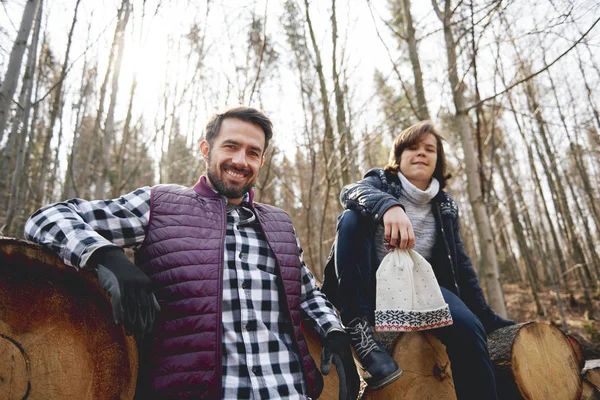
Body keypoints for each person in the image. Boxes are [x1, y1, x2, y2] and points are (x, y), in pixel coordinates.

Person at [25, 106, 360, 400]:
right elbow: (47, 219)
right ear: (206, 149)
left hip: (289, 390)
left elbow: (306, 292)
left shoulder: (279, 223)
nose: (240, 160)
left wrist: (333, 330)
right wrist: (105, 257)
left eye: (253, 152)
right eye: (231, 146)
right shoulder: (158, 206)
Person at [322, 120, 515, 399]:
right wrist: (389, 206)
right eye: (412, 148)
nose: (421, 153)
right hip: (370, 288)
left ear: (438, 160)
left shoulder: (445, 204)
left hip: (422, 288)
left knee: (470, 329)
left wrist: (483, 314)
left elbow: (459, 261)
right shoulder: (380, 182)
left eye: (429, 149)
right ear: (399, 158)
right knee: (351, 217)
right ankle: (357, 326)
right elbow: (349, 192)